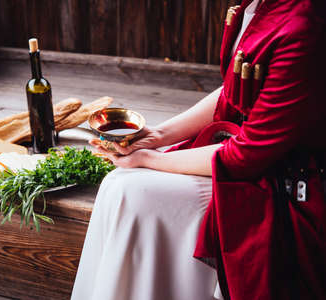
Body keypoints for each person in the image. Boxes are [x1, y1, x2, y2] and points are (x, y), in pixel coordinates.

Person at [71, 0, 325, 299]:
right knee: (117, 183)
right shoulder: (257, 4)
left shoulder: (304, 25)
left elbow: (247, 155)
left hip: (288, 182)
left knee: (133, 191)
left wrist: (148, 158)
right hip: (250, 155)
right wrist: (158, 135)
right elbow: (231, 92)